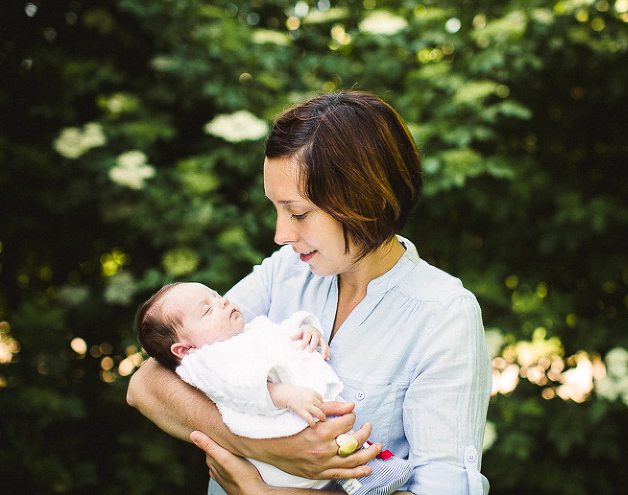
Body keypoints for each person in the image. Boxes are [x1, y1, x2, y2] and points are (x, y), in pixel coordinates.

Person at [127, 90, 492, 494]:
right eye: (277, 209)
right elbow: (147, 383)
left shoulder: (443, 314)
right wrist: (271, 448)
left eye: (298, 212)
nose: (281, 234)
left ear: (362, 199)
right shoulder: (284, 271)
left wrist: (264, 491)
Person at [134, 281, 412, 495]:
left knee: (337, 440)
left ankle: (367, 475)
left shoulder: (250, 332)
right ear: (185, 349)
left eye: (218, 296)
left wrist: (307, 329)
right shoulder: (206, 362)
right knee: (330, 446)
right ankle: (361, 479)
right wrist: (282, 395)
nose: (223, 302)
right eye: (207, 309)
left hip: (302, 422)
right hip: (275, 450)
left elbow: (281, 331)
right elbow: (238, 386)